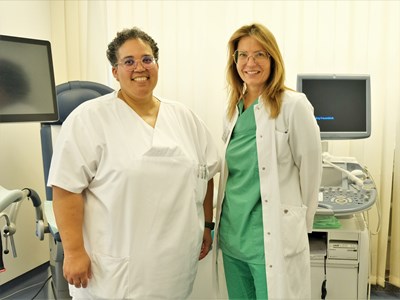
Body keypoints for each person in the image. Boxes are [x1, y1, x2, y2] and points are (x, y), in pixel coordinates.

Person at [48, 27, 220, 299]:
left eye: (147, 59)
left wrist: (208, 226)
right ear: (115, 72)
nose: (139, 67)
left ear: (157, 65)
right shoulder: (89, 119)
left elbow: (207, 172)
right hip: (116, 269)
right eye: (128, 61)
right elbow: (66, 189)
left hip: (173, 266)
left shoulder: (184, 117)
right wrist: (73, 251)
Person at [213, 23, 322, 299]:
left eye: (260, 54)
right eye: (243, 55)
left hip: (271, 237)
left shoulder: (293, 106)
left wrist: (299, 226)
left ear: (273, 59)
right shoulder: (233, 109)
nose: (250, 63)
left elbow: (311, 171)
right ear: (234, 60)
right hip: (232, 235)